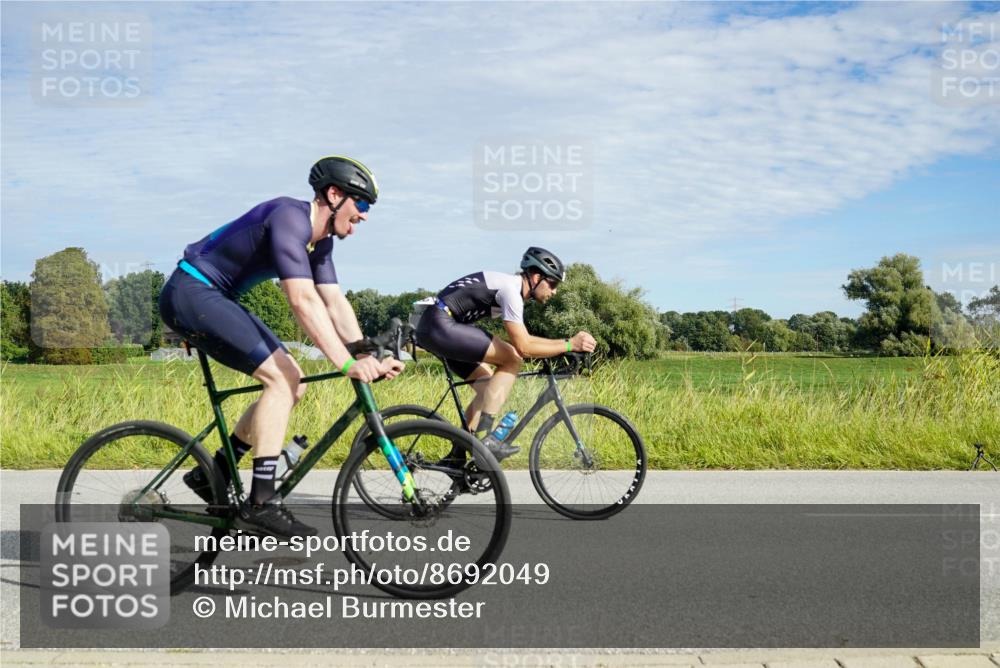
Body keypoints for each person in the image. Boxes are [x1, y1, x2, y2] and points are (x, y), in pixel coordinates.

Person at [158, 156, 403, 538]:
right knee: (281, 378)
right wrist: (344, 364)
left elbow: (333, 302)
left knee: (296, 383)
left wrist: (366, 354)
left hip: (214, 296)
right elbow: (303, 301)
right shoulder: (290, 218)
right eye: (363, 204)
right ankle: (262, 502)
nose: (366, 215)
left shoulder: (319, 245)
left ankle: (217, 472)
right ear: (334, 195)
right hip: (191, 290)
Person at [415, 247, 597, 460]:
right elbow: (524, 347)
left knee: (487, 386)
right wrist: (569, 345)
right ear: (537, 277)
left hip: (436, 326)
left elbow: (525, 339)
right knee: (511, 358)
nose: (554, 291)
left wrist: (563, 345)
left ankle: (458, 455)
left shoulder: (511, 289)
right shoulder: (511, 291)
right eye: (553, 284)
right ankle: (488, 440)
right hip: (441, 324)